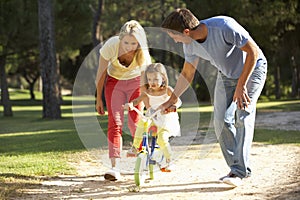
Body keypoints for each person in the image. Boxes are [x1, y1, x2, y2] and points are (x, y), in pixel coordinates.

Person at [160, 8, 267, 187]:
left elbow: (253, 52)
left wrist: (241, 86)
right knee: (220, 121)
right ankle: (238, 168)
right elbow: (187, 73)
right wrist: (172, 99)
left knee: (243, 114)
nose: (175, 41)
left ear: (186, 32)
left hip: (253, 69)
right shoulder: (190, 44)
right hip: (227, 76)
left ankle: (239, 172)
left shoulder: (224, 27)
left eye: (174, 36)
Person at [95, 20, 151, 181]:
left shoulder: (143, 54)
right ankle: (114, 167)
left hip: (135, 84)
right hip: (114, 83)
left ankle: (143, 160)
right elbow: (101, 74)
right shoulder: (111, 46)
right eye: (126, 42)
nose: (129, 46)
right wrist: (98, 98)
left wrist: (148, 105)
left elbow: (146, 83)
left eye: (134, 43)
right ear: (120, 39)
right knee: (115, 123)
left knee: (135, 122)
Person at [124, 63, 181, 171]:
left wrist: (173, 106)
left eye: (155, 79)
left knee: (162, 140)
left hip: (165, 119)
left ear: (163, 78)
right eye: (149, 79)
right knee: (142, 123)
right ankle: (135, 147)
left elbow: (177, 100)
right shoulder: (148, 92)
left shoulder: (167, 90)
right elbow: (137, 100)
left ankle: (170, 161)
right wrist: (131, 104)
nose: (152, 82)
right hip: (152, 116)